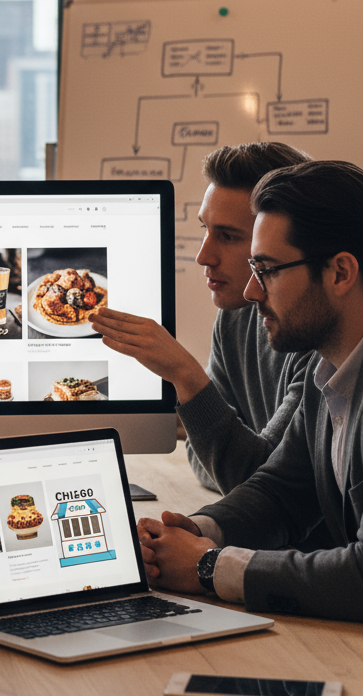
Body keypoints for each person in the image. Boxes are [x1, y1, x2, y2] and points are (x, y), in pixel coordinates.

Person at [138, 161, 363, 621]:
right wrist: (190, 532)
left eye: (267, 270)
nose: (252, 291)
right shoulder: (331, 373)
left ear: (340, 273)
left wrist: (208, 566)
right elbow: (281, 491)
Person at [90, 142, 314, 494]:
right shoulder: (234, 318)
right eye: (205, 230)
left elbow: (270, 489)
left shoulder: (318, 335)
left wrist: (185, 373)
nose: (203, 256)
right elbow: (206, 460)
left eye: (227, 236)